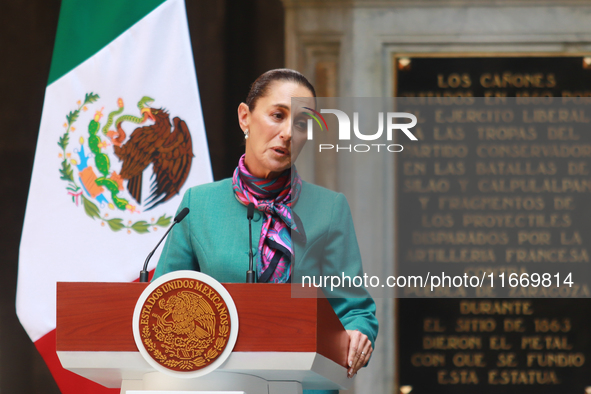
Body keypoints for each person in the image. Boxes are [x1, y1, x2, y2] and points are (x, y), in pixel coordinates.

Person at [153, 68, 378, 394]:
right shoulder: (198, 204)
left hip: (303, 386)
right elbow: (163, 301)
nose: (288, 132)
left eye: (302, 124)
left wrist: (358, 333)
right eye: (277, 115)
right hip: (214, 384)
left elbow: (354, 309)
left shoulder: (330, 209)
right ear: (245, 117)